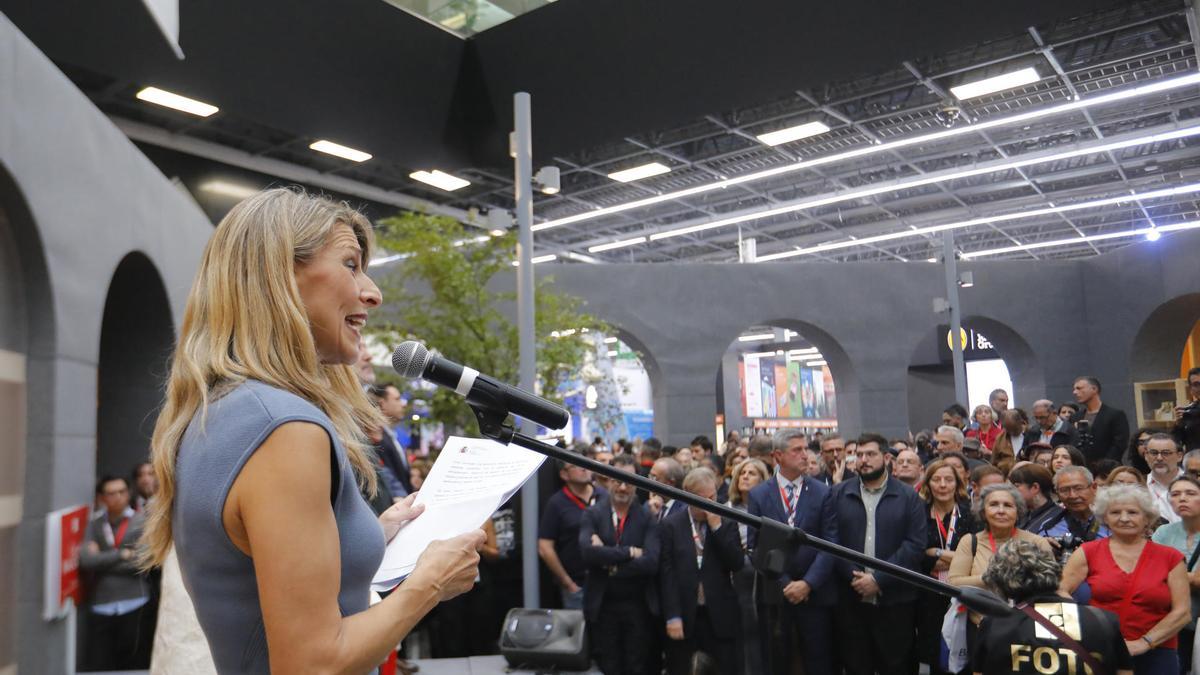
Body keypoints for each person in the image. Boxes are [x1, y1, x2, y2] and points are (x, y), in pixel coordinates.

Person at [142, 189, 482, 674]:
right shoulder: (283, 427)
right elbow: (311, 665)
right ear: (281, 276)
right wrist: (429, 582)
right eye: (350, 264)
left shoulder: (224, 410)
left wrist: (368, 534)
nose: (372, 292)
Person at [1060, 485, 1190, 673]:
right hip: (1100, 651)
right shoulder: (1088, 552)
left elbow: (1182, 612)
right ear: (1105, 517)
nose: (1124, 518)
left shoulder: (1170, 557)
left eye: (1132, 512)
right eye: (1115, 512)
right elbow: (1060, 593)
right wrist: (1081, 633)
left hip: (1157, 651)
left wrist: (1144, 643)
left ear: (1147, 518)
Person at [831, 433, 926, 675]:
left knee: (897, 666)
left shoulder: (908, 497)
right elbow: (831, 541)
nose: (863, 460)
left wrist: (877, 579)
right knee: (855, 666)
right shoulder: (838, 494)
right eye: (859, 455)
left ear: (886, 458)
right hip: (851, 599)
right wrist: (856, 577)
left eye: (870, 454)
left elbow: (914, 545)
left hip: (895, 601)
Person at [747, 430, 838, 675]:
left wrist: (808, 583)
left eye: (806, 449)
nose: (805, 455)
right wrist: (786, 583)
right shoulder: (759, 494)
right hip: (777, 593)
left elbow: (830, 542)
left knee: (818, 660)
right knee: (778, 660)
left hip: (815, 592)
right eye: (797, 450)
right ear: (778, 456)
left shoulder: (822, 492)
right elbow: (756, 547)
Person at [972, 540, 1133, 675]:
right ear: (1053, 570)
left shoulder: (995, 625)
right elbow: (1125, 672)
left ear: (1002, 583)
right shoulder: (1104, 620)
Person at [580, 454, 660, 675]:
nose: (623, 487)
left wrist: (609, 561)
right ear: (608, 481)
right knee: (608, 666)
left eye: (629, 481)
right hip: (603, 605)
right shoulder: (593, 513)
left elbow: (651, 562)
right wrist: (629, 553)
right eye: (617, 480)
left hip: (638, 606)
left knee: (637, 666)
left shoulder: (646, 517)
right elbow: (587, 553)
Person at [949, 483, 1053, 653]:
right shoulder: (971, 541)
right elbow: (953, 583)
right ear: (983, 511)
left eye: (1008, 505)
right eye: (994, 504)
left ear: (1018, 511)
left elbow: (1050, 586)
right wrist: (991, 577)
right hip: (980, 627)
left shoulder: (1036, 542)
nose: (1001, 510)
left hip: (1026, 629)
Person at [660, 468, 743, 675]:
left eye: (713, 497)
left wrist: (717, 529)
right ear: (687, 495)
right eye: (702, 499)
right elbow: (666, 573)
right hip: (685, 615)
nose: (709, 504)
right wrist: (672, 616)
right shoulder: (671, 525)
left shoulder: (727, 520)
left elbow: (736, 562)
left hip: (719, 615)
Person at [81, 475, 153, 670]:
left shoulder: (141, 522)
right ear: (102, 498)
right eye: (111, 493)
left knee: (133, 663)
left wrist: (103, 560)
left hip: (135, 601)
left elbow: (142, 561)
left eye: (122, 492)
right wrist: (122, 554)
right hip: (101, 604)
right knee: (100, 663)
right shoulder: (94, 524)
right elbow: (87, 561)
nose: (118, 497)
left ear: (128, 493)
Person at [916, 460, 976, 675]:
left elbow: (975, 554)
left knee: (963, 652)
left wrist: (936, 552)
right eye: (936, 479)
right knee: (934, 653)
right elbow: (917, 552)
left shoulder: (970, 514)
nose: (942, 485)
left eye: (948, 480)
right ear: (928, 484)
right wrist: (957, 556)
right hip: (929, 593)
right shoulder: (919, 513)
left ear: (957, 484)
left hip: (963, 593)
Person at [539, 449, 608, 609]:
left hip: (607, 581)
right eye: (576, 465)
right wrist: (567, 583)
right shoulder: (556, 503)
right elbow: (544, 547)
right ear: (564, 475)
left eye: (586, 464)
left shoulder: (604, 496)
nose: (584, 468)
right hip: (578, 586)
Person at [725, 458, 769, 675]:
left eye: (752, 473)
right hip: (734, 579)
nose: (745, 476)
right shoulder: (726, 508)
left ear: (763, 480)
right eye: (742, 473)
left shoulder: (769, 508)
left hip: (762, 577)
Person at [1151, 475, 1200, 670]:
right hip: (1172, 620)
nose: (1182, 498)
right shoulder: (1163, 532)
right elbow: (1152, 574)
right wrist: (1188, 577)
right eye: (1175, 494)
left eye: (1190, 493)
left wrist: (1172, 576)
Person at [1043, 466, 1110, 564]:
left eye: (1078, 488)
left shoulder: (1113, 520)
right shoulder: (1048, 528)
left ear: (1094, 487)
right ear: (1057, 493)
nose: (1072, 495)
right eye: (1064, 490)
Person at [367, 383, 414, 498]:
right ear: (382, 403)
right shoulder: (376, 439)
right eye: (397, 399)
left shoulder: (390, 435)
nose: (403, 404)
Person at [1070, 376, 1130, 465]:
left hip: (1107, 469)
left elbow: (1119, 445)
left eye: (1079, 388)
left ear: (1094, 389)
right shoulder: (1076, 417)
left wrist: (1103, 465)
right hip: (1081, 468)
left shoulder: (1115, 415)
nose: (1075, 392)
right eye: (1074, 389)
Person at [1008, 463, 1064, 536]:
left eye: (1016, 486)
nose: (1011, 492)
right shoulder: (1021, 516)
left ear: (1035, 487)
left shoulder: (1059, 517)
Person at [1146, 433, 1185, 525]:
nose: (1159, 458)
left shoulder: (1194, 484)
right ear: (1146, 456)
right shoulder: (1139, 484)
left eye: (1166, 453)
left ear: (1179, 456)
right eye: (1154, 453)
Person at [1175, 367, 1200, 451]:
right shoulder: (1189, 411)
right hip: (1194, 461)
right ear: (1191, 390)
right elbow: (1176, 443)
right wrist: (1178, 424)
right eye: (1196, 384)